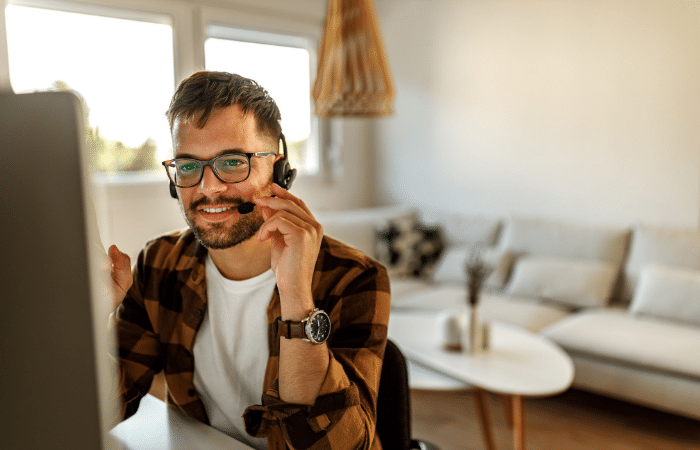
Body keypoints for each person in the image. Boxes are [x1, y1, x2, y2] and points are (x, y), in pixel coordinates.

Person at [108, 71, 391, 450]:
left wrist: (297, 300)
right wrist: (91, 321)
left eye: (231, 162)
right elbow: (104, 409)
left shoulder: (354, 277)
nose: (209, 188)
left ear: (277, 168)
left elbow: (340, 447)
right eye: (188, 166)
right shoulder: (158, 264)